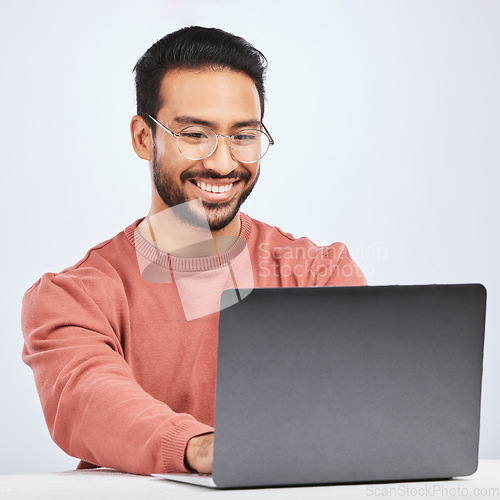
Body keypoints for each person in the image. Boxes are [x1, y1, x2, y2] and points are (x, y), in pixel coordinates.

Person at [21, 26, 367, 476]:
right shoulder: (73, 298)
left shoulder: (319, 275)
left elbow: (364, 407)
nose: (223, 163)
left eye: (243, 136)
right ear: (144, 138)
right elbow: (87, 397)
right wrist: (200, 447)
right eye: (195, 134)